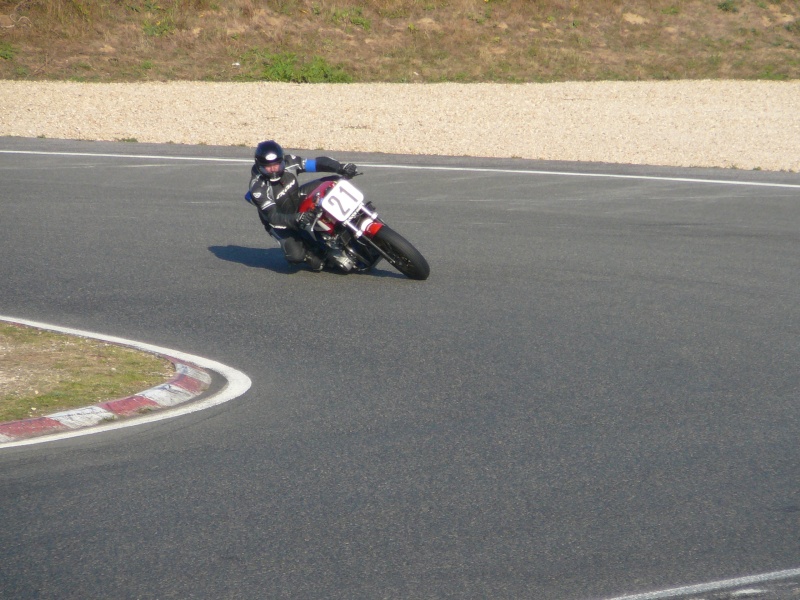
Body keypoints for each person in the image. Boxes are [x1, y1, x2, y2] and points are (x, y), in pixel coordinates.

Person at [245, 140, 358, 270]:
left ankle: (354, 216)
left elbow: (316, 164)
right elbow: (273, 216)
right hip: (280, 222)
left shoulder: (290, 162)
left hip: (297, 198)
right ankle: (311, 254)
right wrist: (297, 218)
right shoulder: (258, 188)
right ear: (259, 166)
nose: (274, 169)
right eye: (268, 167)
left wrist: (340, 167)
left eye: (277, 165)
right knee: (300, 257)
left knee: (335, 181)